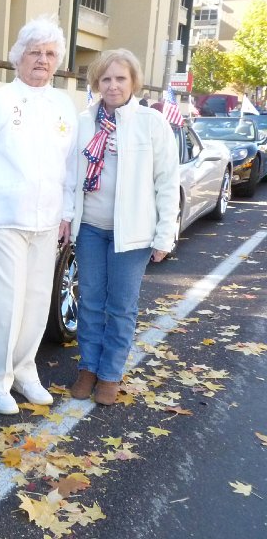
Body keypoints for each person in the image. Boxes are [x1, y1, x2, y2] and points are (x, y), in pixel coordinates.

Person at [0, 16, 78, 415]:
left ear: (57, 61)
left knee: (39, 302)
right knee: (8, 304)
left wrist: (68, 212)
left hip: (47, 222)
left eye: (50, 53)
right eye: (35, 52)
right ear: (18, 57)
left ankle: (26, 372)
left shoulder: (63, 104)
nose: (42, 59)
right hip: (3, 223)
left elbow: (71, 166)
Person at [69, 49, 179, 405]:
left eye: (120, 78)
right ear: (96, 83)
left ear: (133, 82)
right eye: (106, 79)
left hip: (131, 234)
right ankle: (88, 367)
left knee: (121, 306)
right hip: (90, 228)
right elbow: (70, 176)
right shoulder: (84, 122)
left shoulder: (151, 123)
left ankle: (110, 373)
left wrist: (165, 235)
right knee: (89, 302)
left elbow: (166, 181)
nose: (113, 85)